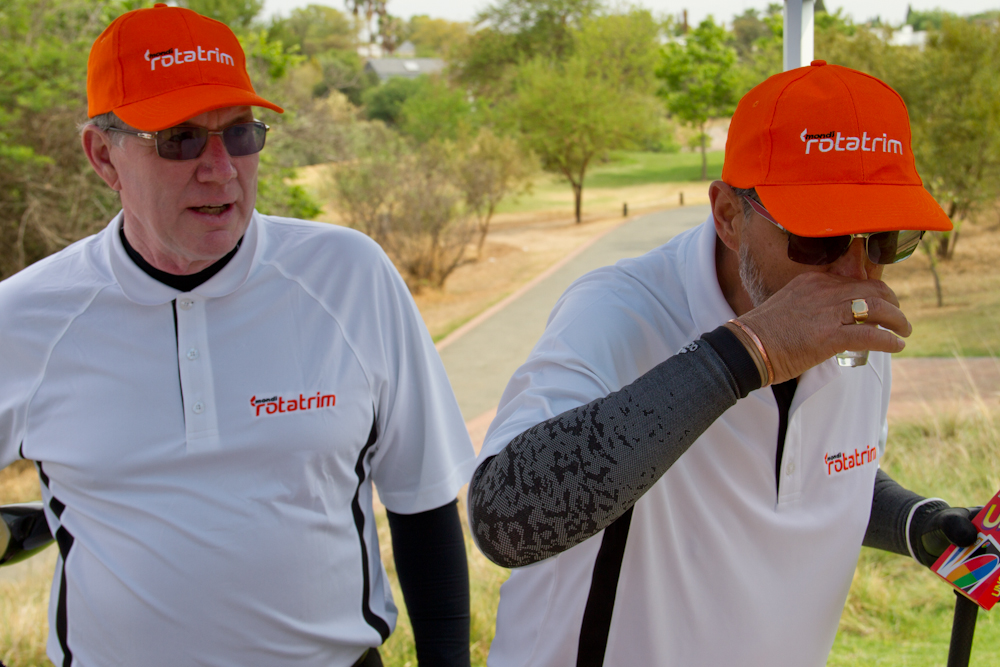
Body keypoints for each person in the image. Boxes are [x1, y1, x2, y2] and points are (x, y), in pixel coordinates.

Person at [0, 5, 476, 666]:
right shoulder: (25, 316)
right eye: (181, 139)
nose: (221, 168)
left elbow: (422, 503)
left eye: (241, 133)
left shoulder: (349, 275)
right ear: (103, 156)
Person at [468, 61, 980, 666]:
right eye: (818, 238)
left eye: (885, 239)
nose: (855, 273)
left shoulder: (856, 316)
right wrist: (750, 351)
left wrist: (917, 522)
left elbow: (820, 475)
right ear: (730, 215)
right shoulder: (618, 311)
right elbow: (504, 521)